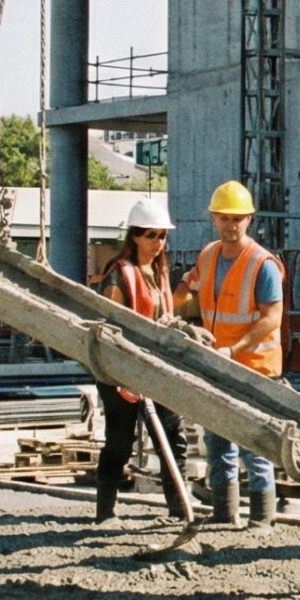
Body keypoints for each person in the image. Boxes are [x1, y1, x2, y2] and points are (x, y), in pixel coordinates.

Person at [183, 180, 286, 525]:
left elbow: (272, 317)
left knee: (254, 445)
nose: (231, 225)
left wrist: (235, 348)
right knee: (217, 442)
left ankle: (260, 519)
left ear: (249, 220)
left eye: (238, 218)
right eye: (225, 218)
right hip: (218, 364)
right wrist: (171, 305)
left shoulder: (262, 264)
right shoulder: (209, 254)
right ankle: (224, 514)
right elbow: (191, 284)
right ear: (213, 218)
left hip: (255, 368)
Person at [93, 198, 190, 524]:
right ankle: (105, 511)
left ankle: (178, 509)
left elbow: (164, 314)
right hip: (121, 369)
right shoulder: (119, 274)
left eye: (162, 236)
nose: (159, 243)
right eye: (151, 235)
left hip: (158, 368)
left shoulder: (160, 273)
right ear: (134, 236)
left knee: (172, 438)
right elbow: (110, 324)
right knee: (119, 441)